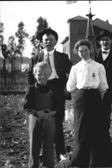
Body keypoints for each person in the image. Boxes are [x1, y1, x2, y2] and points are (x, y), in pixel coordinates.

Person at [64, 39, 112, 167]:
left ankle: (98, 159)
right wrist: (80, 92)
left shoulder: (99, 66)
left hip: (95, 98)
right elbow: (70, 87)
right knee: (81, 129)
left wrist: (97, 96)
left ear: (90, 50)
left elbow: (103, 86)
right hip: (80, 99)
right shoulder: (75, 68)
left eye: (86, 50)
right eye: (81, 51)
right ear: (77, 53)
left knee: (97, 128)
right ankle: (80, 159)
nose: (84, 53)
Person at [27, 28, 72, 161]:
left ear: (56, 41)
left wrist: (67, 87)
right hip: (41, 89)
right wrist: (32, 89)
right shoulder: (36, 58)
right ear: (42, 42)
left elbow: (73, 73)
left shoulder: (63, 57)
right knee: (40, 122)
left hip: (57, 89)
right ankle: (42, 153)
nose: (48, 42)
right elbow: (29, 75)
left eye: (51, 39)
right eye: (45, 39)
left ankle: (60, 153)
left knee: (57, 122)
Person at [23, 62, 57, 168]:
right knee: (34, 145)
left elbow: (58, 104)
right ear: (34, 74)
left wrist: (52, 112)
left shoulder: (53, 88)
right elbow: (26, 106)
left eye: (45, 74)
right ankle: (33, 165)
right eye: (39, 74)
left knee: (49, 145)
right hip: (35, 119)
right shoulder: (31, 89)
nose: (41, 76)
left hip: (49, 119)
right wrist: (37, 112)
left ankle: (49, 165)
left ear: (49, 75)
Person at [95, 30, 112, 130]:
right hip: (95, 89)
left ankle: (105, 133)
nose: (105, 42)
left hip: (109, 89)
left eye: (107, 40)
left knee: (106, 112)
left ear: (110, 41)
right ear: (99, 42)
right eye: (103, 40)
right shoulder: (93, 55)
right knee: (96, 112)